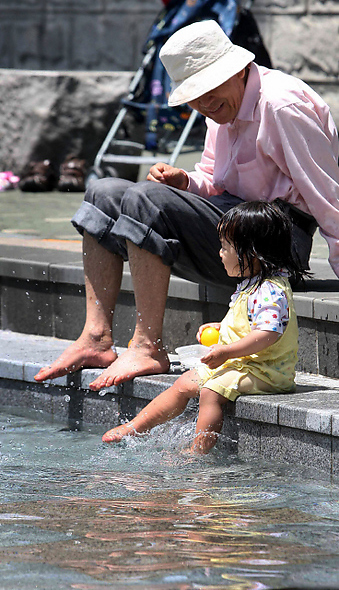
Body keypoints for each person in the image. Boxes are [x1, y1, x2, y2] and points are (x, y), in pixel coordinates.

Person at [34, 19, 339, 389]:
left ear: (240, 71)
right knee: (103, 192)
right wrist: (186, 182)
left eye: (211, 91)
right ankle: (96, 338)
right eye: (195, 96)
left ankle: (148, 347)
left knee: (145, 200)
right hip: (231, 227)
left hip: (275, 243)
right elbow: (214, 179)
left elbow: (329, 195)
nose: (205, 104)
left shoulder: (282, 105)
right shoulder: (221, 108)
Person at [101, 201, 306, 453]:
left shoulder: (270, 290)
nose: (220, 253)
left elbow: (268, 334)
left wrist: (226, 351)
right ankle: (135, 427)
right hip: (244, 364)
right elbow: (250, 323)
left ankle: (197, 451)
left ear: (251, 252)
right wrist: (222, 328)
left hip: (266, 372)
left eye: (225, 247)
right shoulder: (254, 284)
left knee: (211, 391)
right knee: (184, 383)